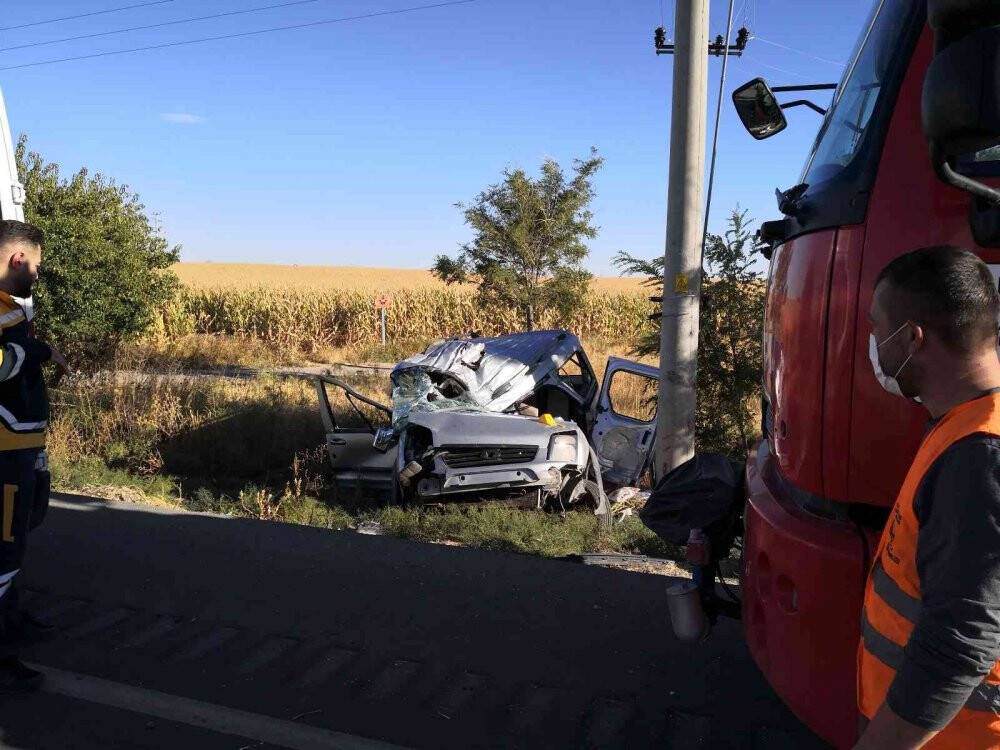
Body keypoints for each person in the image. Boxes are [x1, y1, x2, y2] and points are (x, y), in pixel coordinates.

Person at [855, 245, 1000, 749]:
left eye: (876, 328)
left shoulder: (981, 458)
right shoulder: (965, 424)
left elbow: (960, 645)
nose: (873, 342)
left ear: (913, 339)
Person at [0, 220, 68, 694]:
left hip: (20, 453)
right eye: (37, 267)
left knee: (12, 553)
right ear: (17, 259)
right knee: (1, 558)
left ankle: (12, 621)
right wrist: (35, 351)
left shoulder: (10, 312)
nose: (38, 277)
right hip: (2, 459)